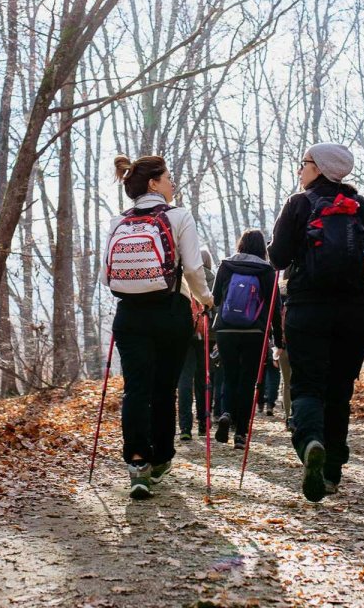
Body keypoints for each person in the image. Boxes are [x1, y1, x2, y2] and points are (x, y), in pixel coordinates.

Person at [268, 143, 364, 502]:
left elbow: (277, 257)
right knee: (340, 389)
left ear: (319, 168)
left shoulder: (297, 204)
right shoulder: (361, 206)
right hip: (356, 311)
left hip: (308, 307)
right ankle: (332, 471)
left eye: (303, 163)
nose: (299, 170)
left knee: (308, 386)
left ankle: (310, 442)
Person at [102, 155, 214, 499]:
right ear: (154, 183)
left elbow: (106, 274)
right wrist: (206, 300)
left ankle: (137, 462)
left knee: (136, 389)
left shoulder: (117, 221)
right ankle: (162, 456)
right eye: (168, 177)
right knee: (164, 388)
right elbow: (194, 269)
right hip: (170, 311)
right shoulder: (179, 215)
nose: (172, 183)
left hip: (129, 314)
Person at [210, 229, 282, 450]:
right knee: (248, 381)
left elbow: (215, 299)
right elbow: (274, 309)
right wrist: (278, 342)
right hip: (255, 332)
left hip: (226, 331)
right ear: (262, 248)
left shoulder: (226, 266)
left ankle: (226, 413)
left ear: (240, 245)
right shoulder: (267, 270)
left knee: (229, 377)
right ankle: (241, 434)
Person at [178, 250, 215, 441]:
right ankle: (204, 423)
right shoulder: (212, 278)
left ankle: (185, 426)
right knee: (203, 379)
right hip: (206, 334)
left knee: (184, 380)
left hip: (184, 333)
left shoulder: (182, 278)